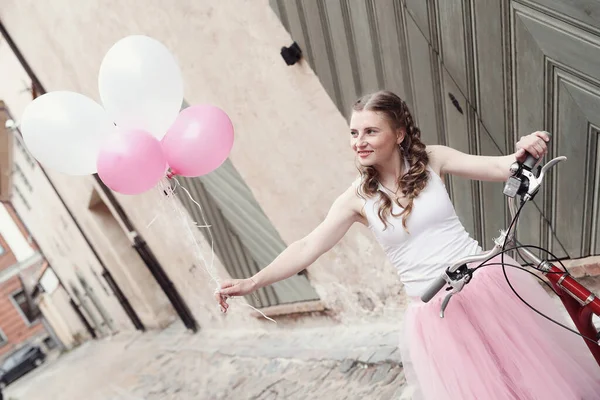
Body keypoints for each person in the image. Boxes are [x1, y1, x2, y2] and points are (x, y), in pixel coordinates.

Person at [215, 90, 600, 398]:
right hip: (437, 310)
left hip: (486, 285)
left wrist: (523, 150)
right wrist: (252, 282)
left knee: (532, 376)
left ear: (398, 133)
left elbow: (503, 167)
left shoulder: (432, 160)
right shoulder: (356, 199)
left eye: (370, 131)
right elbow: (306, 246)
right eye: (353, 133)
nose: (359, 142)